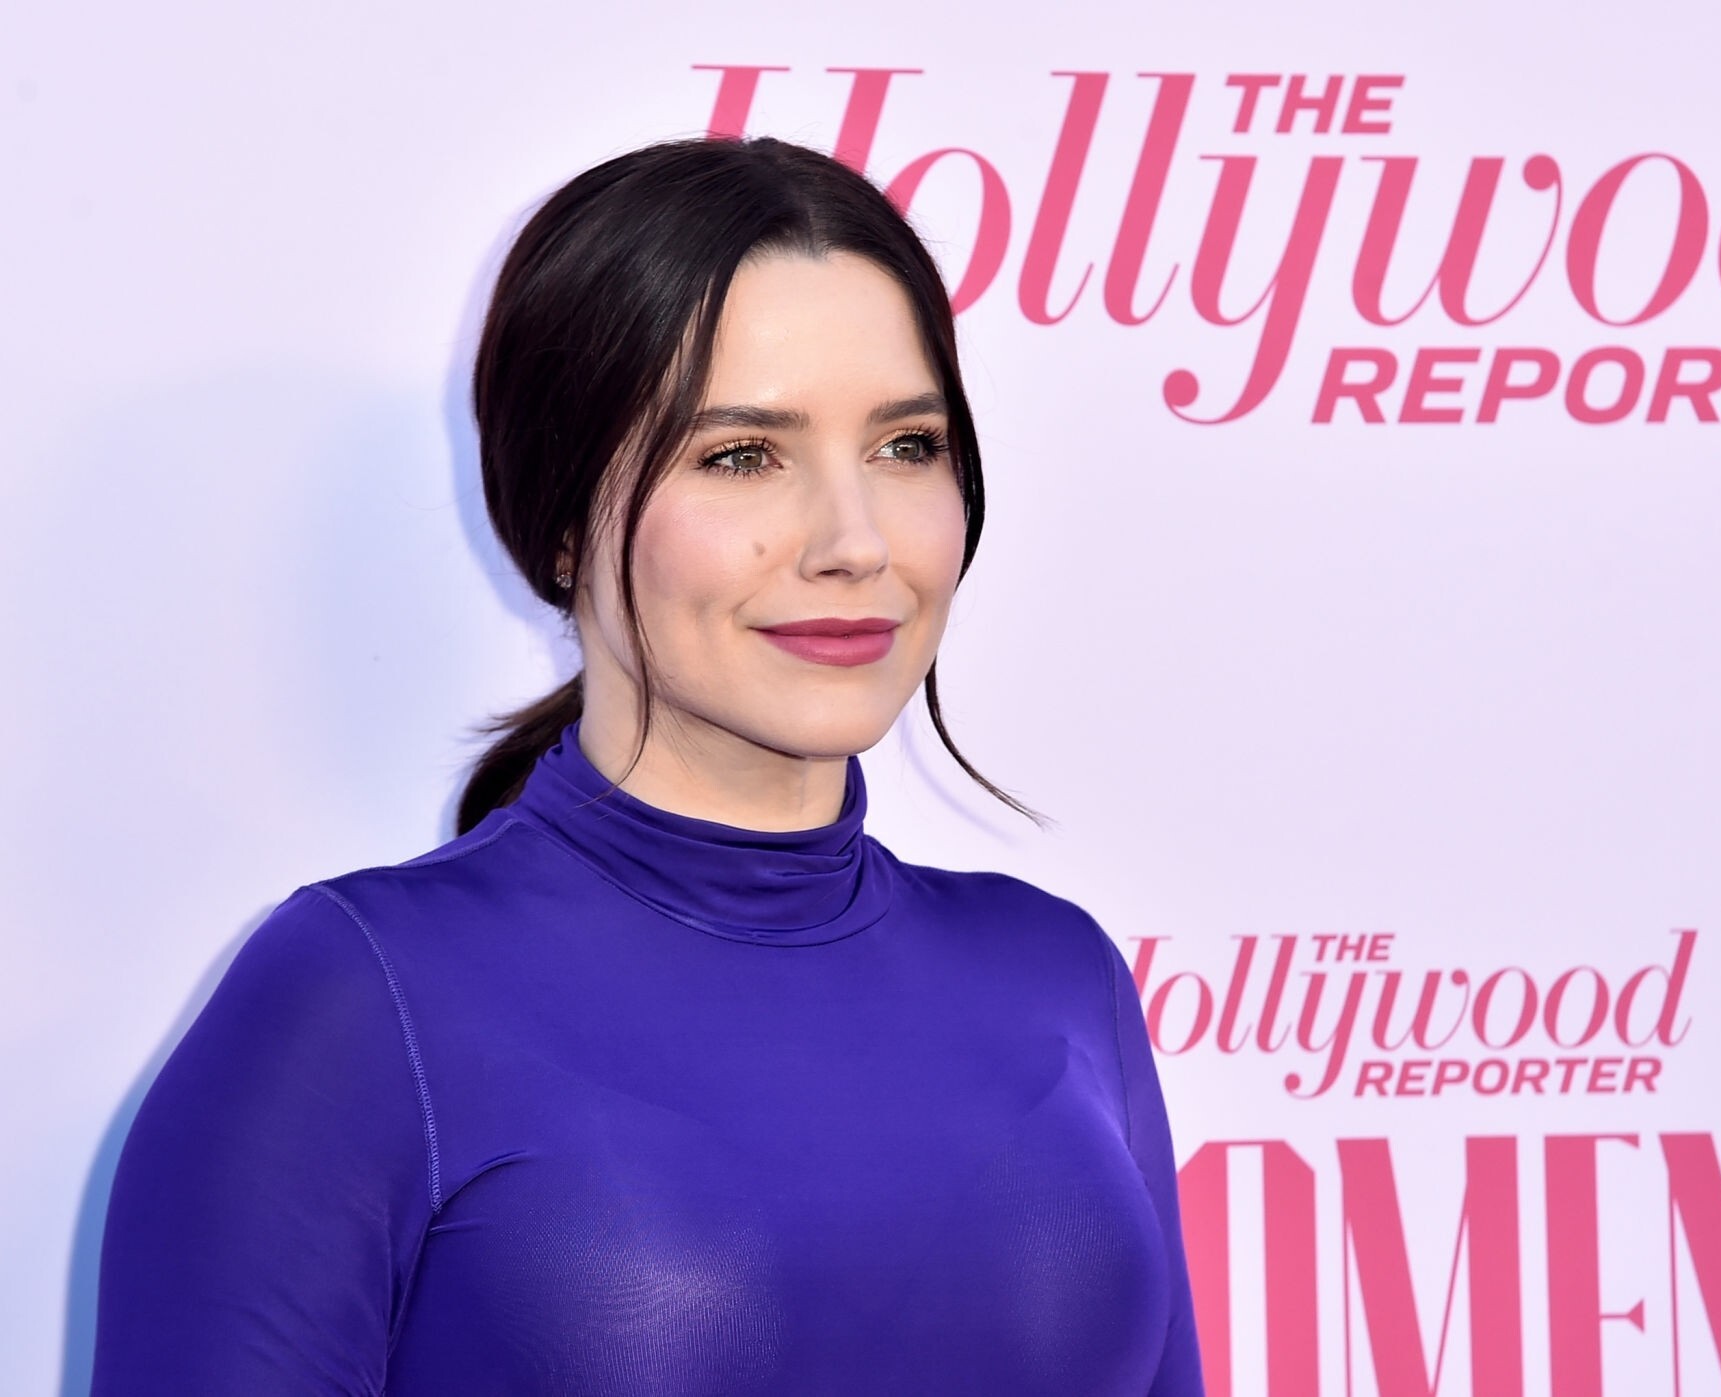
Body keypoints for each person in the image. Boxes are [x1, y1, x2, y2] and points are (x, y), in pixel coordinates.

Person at [88, 136, 1205, 1396]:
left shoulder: (1058, 976)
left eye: (906, 445)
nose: (854, 540)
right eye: (741, 455)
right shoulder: (356, 1000)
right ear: (563, 518)